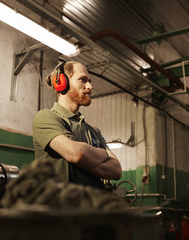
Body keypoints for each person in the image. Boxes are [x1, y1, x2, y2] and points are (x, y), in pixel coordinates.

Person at [32, 61, 122, 190]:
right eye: (83, 80)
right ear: (61, 83)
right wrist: (104, 154)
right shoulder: (46, 117)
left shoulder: (94, 131)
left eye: (89, 81)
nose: (89, 86)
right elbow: (76, 154)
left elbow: (116, 171)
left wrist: (84, 157)